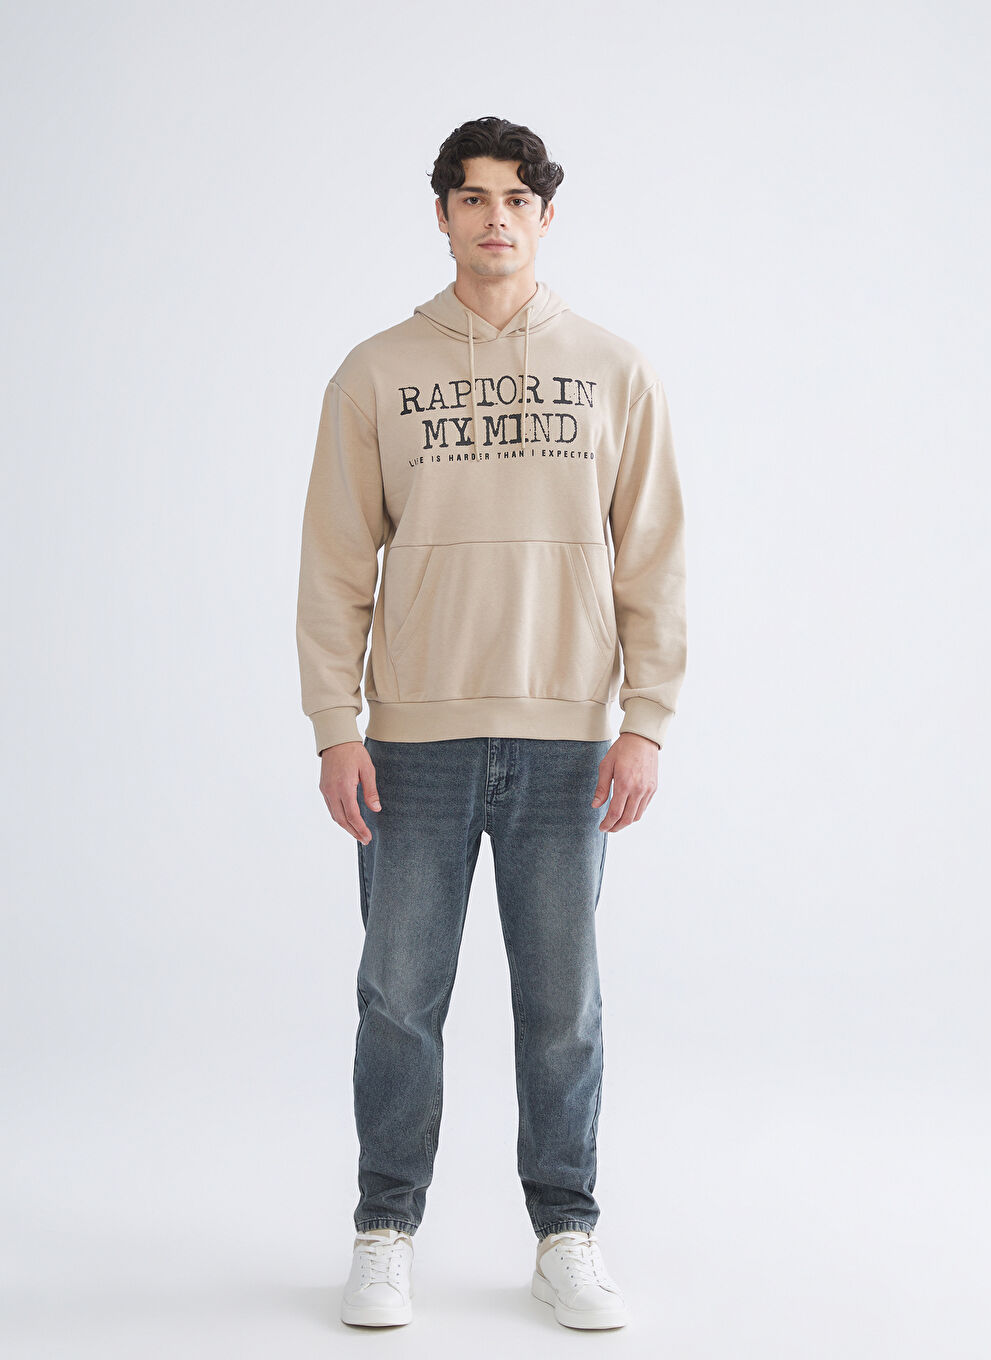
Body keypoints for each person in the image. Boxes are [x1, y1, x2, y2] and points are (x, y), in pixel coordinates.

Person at [296, 115, 687, 1330]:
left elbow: (654, 556)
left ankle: (566, 1232)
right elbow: (334, 563)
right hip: (412, 744)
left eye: (517, 199)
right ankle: (385, 1229)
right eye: (473, 198)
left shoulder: (613, 368)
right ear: (444, 215)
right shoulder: (375, 373)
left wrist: (646, 719)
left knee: (563, 1006)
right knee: (397, 998)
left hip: (570, 740)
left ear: (547, 216)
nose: (496, 218)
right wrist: (335, 721)